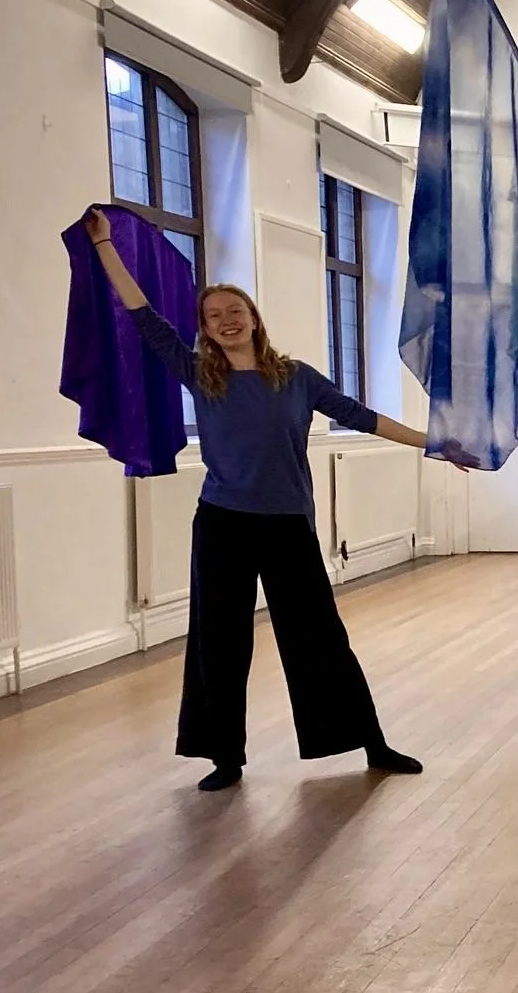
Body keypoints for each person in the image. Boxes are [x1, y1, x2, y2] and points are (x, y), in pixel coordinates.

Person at [83, 207, 444, 791]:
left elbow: (361, 415)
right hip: (223, 522)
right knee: (219, 640)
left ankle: (371, 743)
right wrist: (105, 246)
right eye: (214, 316)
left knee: (319, 636)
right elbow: (142, 315)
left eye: (235, 311)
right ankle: (225, 757)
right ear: (205, 330)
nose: (226, 321)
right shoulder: (200, 374)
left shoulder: (296, 377)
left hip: (286, 525)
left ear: (254, 318)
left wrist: (434, 443)